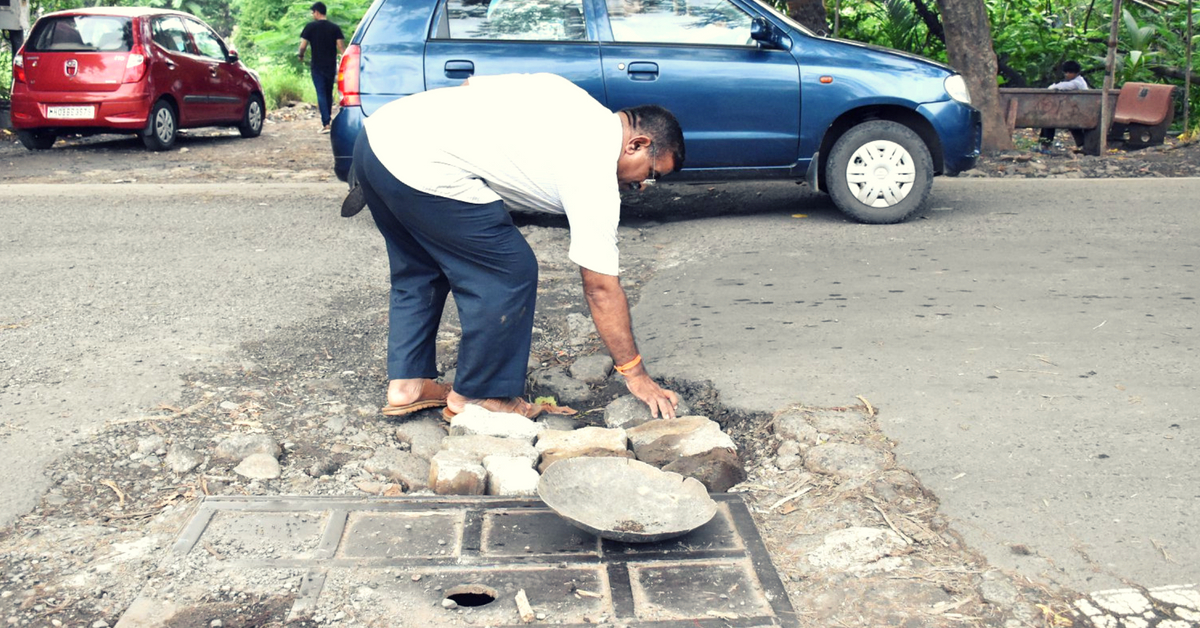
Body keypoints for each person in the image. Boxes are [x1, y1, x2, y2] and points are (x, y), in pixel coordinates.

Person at [354, 73, 685, 421]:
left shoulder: (566, 91)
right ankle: (480, 395)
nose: (643, 186)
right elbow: (600, 288)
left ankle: (408, 385)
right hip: (424, 167)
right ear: (637, 144)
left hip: (378, 137)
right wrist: (635, 374)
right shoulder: (595, 165)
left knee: (420, 268)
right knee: (509, 270)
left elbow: (470, 88)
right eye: (651, 173)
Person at [297, 2, 345, 134]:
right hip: (330, 65)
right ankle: (327, 120)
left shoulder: (310, 27)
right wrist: (345, 61)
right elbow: (341, 47)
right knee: (328, 92)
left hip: (317, 65)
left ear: (317, 12)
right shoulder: (334, 28)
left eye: (313, 12)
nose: (312, 15)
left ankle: (326, 124)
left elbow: (302, 46)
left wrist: (300, 56)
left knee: (321, 92)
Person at [1039, 60, 1088, 153]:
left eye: (1070, 72)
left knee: (1050, 121)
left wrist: (1053, 86)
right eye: (1066, 72)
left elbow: (1058, 87)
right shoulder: (1076, 81)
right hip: (1075, 110)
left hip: (1078, 111)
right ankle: (1044, 144)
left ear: (1076, 73)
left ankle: (1045, 145)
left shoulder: (1077, 83)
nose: (1067, 74)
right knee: (1050, 120)